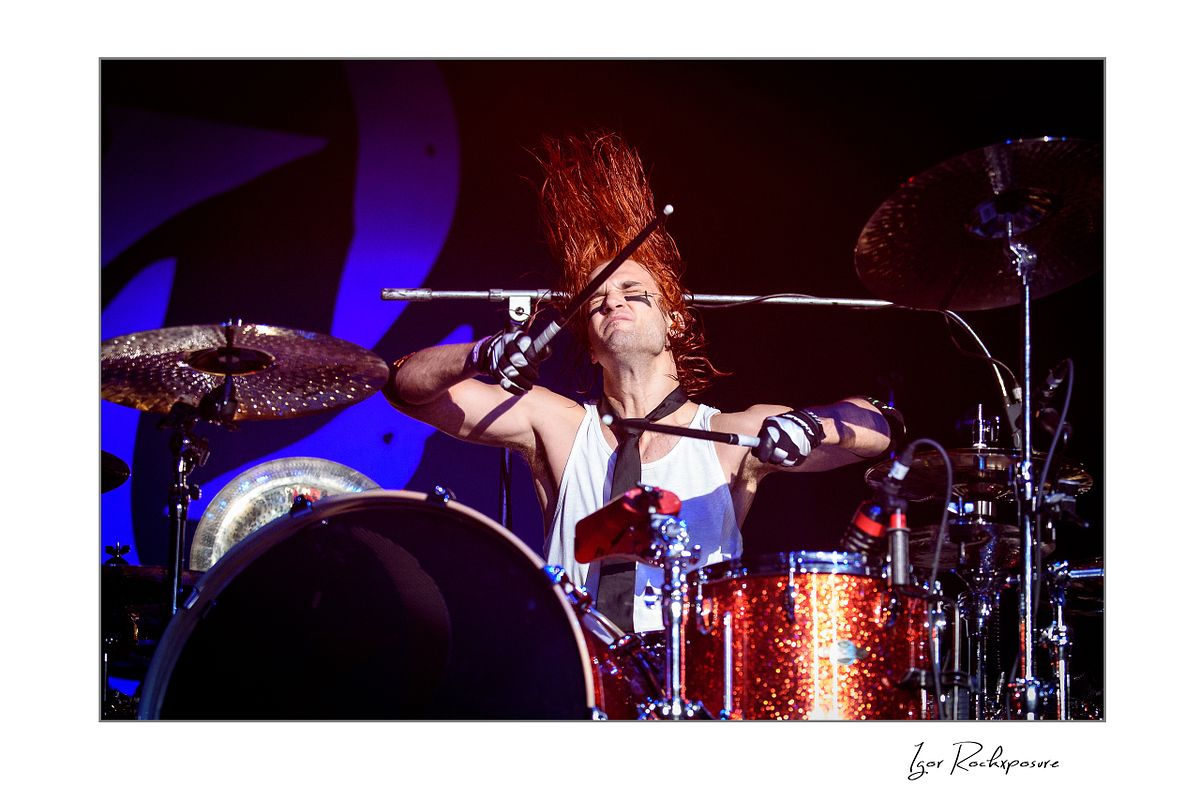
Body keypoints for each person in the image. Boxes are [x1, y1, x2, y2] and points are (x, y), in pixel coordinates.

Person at [383, 131, 899, 634]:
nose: (613, 301)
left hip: (689, 667)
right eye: (597, 301)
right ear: (589, 343)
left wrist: (811, 425)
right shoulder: (558, 425)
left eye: (633, 292)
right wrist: (481, 353)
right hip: (581, 666)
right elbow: (406, 386)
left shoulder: (729, 435)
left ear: (674, 320)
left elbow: (877, 429)